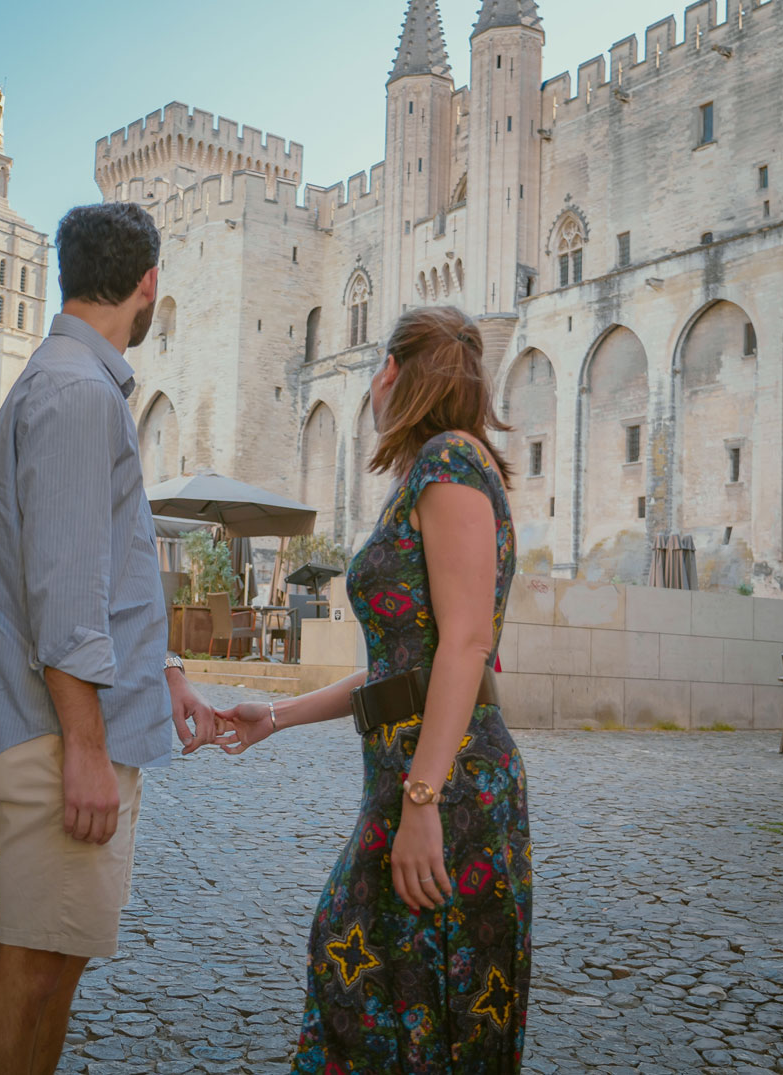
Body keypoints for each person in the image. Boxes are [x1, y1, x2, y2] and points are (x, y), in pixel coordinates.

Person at [216, 306, 531, 1073]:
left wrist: (421, 802)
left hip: (448, 789)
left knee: (416, 998)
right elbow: (403, 669)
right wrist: (278, 716)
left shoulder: (450, 463)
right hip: (416, 781)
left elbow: (465, 643)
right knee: (377, 985)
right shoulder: (434, 468)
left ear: (388, 371)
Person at [0, 202, 219, 1075]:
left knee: (51, 963)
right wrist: (86, 747)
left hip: (56, 723)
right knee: (30, 967)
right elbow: (65, 596)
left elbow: (105, 564)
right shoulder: (74, 392)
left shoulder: (72, 381)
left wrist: (164, 670)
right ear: (148, 285)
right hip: (51, 728)